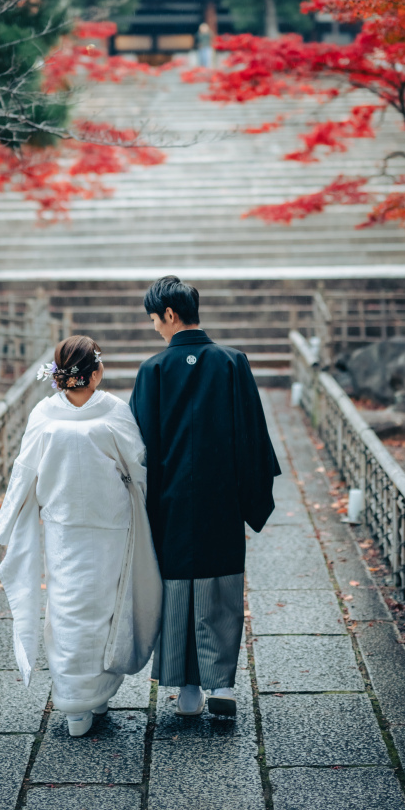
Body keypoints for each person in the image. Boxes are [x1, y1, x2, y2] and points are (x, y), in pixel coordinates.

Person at [0, 335, 162, 738]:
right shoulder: (114, 410)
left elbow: (25, 469)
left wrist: (6, 521)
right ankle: (91, 695)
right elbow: (138, 464)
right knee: (104, 607)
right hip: (109, 523)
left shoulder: (44, 414)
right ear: (96, 373)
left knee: (68, 607)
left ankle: (78, 700)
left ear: (59, 375)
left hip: (64, 526)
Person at [130, 276, 280, 718]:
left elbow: (138, 447)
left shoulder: (153, 370)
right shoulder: (233, 362)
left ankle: (189, 689)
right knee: (221, 583)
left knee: (176, 586)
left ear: (170, 315)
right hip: (222, 498)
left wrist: (140, 502)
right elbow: (253, 436)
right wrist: (251, 496)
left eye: (155, 319)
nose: (155, 327)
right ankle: (223, 684)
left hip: (171, 501)